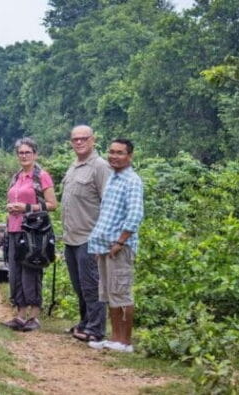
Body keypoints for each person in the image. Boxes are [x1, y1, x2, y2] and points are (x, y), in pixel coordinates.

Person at [87, 138, 143, 353]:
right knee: (109, 293)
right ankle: (114, 338)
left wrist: (120, 241)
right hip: (103, 245)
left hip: (119, 246)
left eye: (119, 153)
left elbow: (135, 215)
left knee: (121, 292)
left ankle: (125, 341)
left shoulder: (132, 181)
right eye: (111, 152)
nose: (114, 156)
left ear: (129, 156)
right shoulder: (112, 177)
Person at [61, 125, 112, 342]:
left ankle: (96, 328)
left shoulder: (100, 167)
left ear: (93, 140)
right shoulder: (74, 166)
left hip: (90, 237)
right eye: (75, 139)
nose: (79, 142)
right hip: (71, 237)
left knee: (92, 285)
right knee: (79, 285)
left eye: (84, 138)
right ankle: (84, 322)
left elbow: (109, 203)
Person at [3, 137, 58, 332]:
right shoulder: (16, 176)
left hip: (33, 232)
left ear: (35, 154)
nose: (24, 156)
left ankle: (34, 316)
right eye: (20, 152)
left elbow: (52, 205)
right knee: (15, 272)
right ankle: (19, 315)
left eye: (27, 152)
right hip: (14, 229)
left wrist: (27, 207)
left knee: (31, 272)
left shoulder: (41, 176)